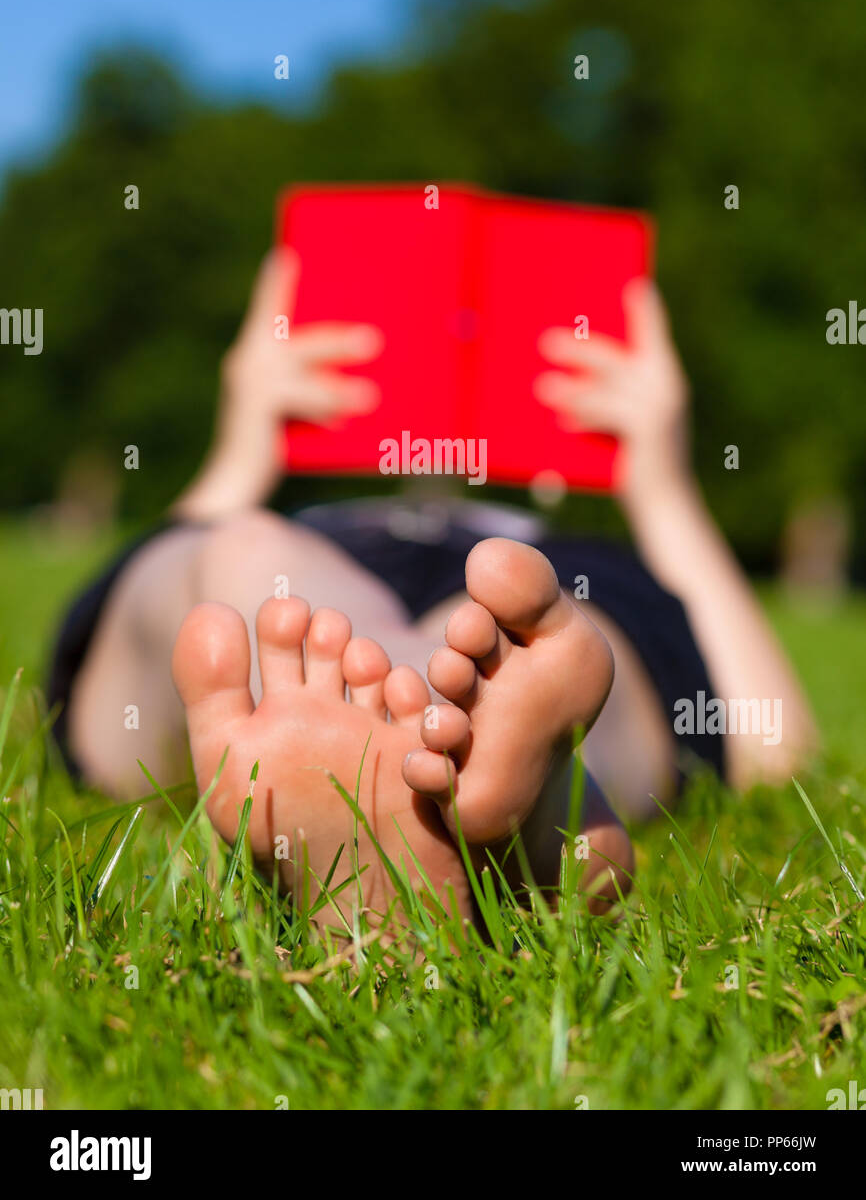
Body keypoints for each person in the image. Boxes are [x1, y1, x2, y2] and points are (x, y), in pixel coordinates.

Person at [47, 249, 816, 924]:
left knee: (531, 623)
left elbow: (779, 747)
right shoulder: (282, 517)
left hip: (524, 563)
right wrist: (242, 454)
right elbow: (775, 748)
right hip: (333, 543)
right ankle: (527, 800)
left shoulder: (548, 559)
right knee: (254, 558)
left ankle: (430, 768)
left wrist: (662, 487)